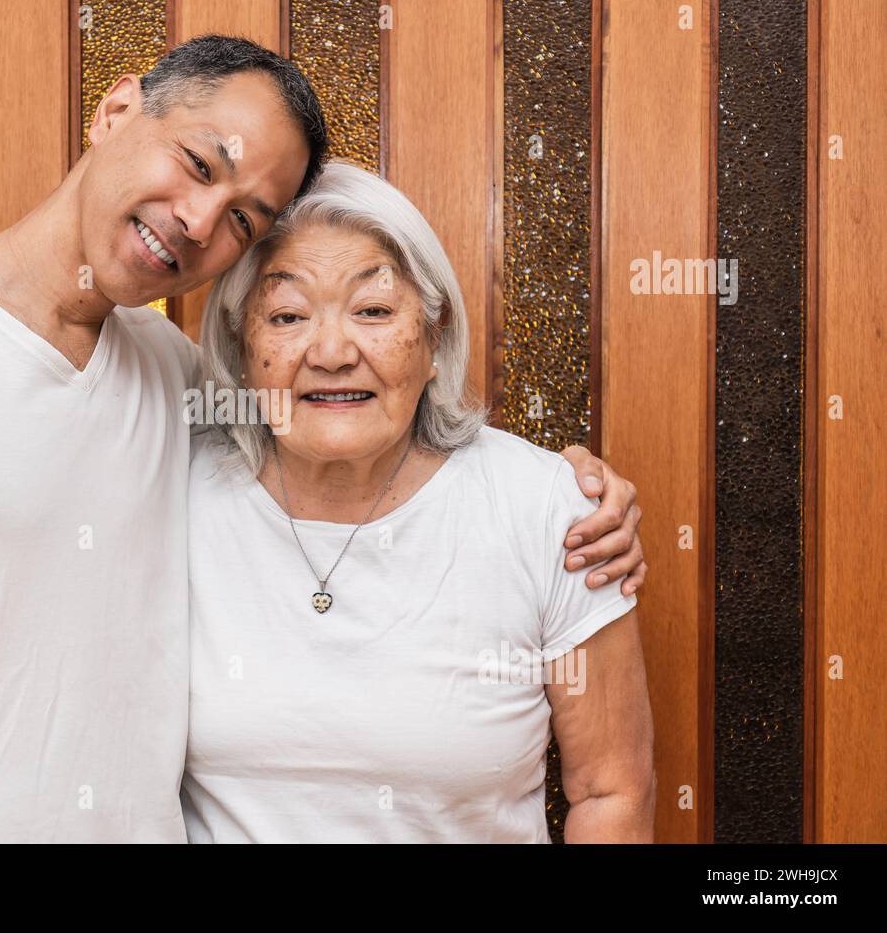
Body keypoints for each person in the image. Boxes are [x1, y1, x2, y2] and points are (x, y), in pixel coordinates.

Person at [0, 36, 644, 843]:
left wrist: (576, 492)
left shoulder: (181, 384)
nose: (200, 220)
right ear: (117, 108)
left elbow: (352, 411)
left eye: (242, 217)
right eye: (200, 164)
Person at [181, 160, 654, 842]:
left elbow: (612, 789)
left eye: (373, 311)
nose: (333, 350)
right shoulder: (172, 491)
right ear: (242, 345)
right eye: (288, 315)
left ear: (434, 336)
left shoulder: (551, 510)